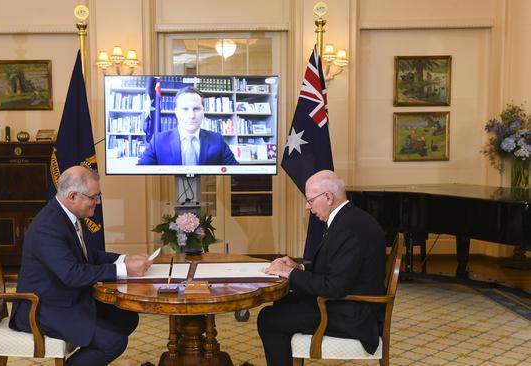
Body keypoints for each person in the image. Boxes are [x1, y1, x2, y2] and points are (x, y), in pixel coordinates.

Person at [9, 165, 152, 366]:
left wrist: (124, 259)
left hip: (65, 297)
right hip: (42, 307)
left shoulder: (67, 215)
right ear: (73, 196)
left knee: (126, 318)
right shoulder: (48, 226)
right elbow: (72, 274)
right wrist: (124, 270)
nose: (98, 202)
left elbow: (88, 255)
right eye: (94, 197)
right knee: (114, 341)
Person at [257, 170, 386, 365]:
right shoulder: (347, 219)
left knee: (268, 318)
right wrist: (298, 267)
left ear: (328, 197)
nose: (307, 207)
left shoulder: (350, 229)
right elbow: (334, 268)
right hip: (346, 302)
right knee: (282, 302)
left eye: (310, 200)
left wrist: (289, 273)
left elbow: (333, 287)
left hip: (354, 314)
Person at [137, 86, 239, 165]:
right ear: (176, 112)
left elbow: (236, 176)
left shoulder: (217, 140)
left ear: (203, 111)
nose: (191, 116)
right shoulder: (158, 141)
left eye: (196, 109)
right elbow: (141, 177)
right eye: (185, 109)